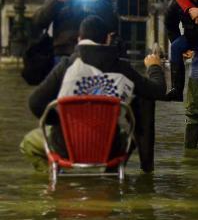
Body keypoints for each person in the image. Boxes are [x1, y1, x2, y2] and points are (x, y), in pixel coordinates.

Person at [20, 16, 166, 171]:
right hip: (111, 147)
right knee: (127, 133)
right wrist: (154, 67)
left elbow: (35, 103)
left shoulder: (66, 66)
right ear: (108, 38)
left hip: (65, 145)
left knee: (28, 143)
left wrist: (60, 122)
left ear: (79, 39)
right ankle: (114, 178)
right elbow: (157, 90)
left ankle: (57, 181)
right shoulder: (122, 68)